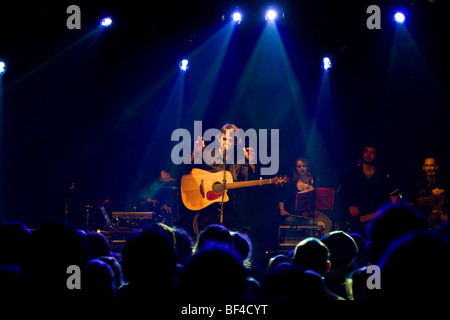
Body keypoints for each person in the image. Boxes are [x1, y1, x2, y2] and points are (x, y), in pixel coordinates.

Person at [185, 123, 259, 233]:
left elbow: (247, 182)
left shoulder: (239, 160)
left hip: (230, 208)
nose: (226, 143)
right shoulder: (208, 155)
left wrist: (251, 162)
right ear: (219, 139)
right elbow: (188, 172)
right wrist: (195, 153)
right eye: (224, 139)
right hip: (208, 207)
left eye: (230, 140)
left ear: (235, 142)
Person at [337, 142, 393, 236]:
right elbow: (341, 195)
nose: (368, 154)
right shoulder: (351, 173)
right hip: (355, 222)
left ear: (376, 155)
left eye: (372, 152)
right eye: (366, 151)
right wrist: (349, 206)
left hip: (376, 221)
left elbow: (386, 198)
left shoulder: (382, 175)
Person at [277, 157, 332, 234]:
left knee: (312, 223)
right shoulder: (292, 184)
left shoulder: (313, 184)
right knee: (288, 220)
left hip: (308, 218)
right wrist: (282, 210)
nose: (302, 168)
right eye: (299, 166)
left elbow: (320, 202)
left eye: (304, 166)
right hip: (295, 216)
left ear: (307, 168)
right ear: (296, 169)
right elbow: (282, 198)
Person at [413, 156, 448, 227]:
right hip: (425, 218)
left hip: (441, 219)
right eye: (427, 166)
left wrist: (444, 191)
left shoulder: (443, 181)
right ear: (423, 167)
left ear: (436, 167)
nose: (429, 168)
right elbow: (414, 200)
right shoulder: (419, 184)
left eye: (431, 165)